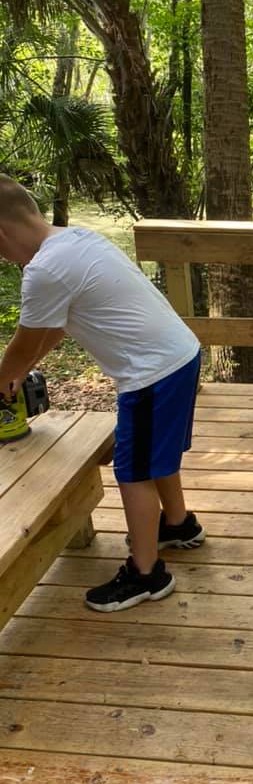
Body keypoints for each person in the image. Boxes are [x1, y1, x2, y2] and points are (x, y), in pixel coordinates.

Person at [0, 175, 205, 611]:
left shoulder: (44, 270)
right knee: (155, 455)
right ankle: (178, 525)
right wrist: (23, 369)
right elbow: (53, 326)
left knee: (133, 473)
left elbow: (23, 340)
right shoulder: (73, 241)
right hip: (179, 355)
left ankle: (147, 575)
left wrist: (6, 374)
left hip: (151, 374)